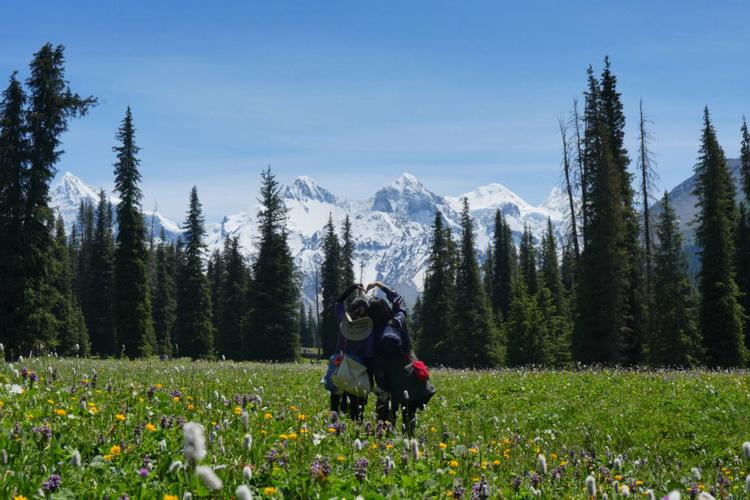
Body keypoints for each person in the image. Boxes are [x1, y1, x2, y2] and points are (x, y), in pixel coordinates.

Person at [366, 281, 436, 435]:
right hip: (410, 376)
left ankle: (385, 446)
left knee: (385, 422)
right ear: (386, 309)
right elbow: (399, 300)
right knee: (409, 418)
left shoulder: (373, 332)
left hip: (388, 380)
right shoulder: (398, 320)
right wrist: (380, 285)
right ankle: (409, 444)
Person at [333, 283, 375, 421]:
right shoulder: (368, 332)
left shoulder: (343, 323)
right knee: (356, 414)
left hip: (340, 370)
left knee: (337, 407)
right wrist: (370, 380)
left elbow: (338, 302)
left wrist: (352, 287)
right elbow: (369, 357)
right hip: (359, 374)